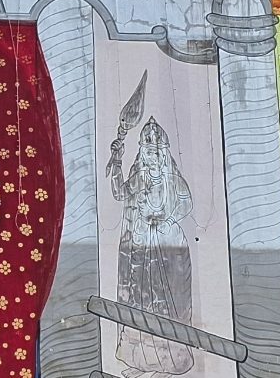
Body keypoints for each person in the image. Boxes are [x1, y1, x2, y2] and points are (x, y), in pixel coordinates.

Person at [109, 117, 195, 378]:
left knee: (167, 307)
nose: (152, 156)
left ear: (164, 153)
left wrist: (165, 221)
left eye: (156, 152)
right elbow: (120, 194)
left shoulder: (172, 178)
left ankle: (169, 365)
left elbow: (186, 203)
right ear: (142, 153)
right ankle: (140, 362)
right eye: (148, 152)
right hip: (141, 250)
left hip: (167, 250)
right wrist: (116, 162)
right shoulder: (139, 176)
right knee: (139, 303)